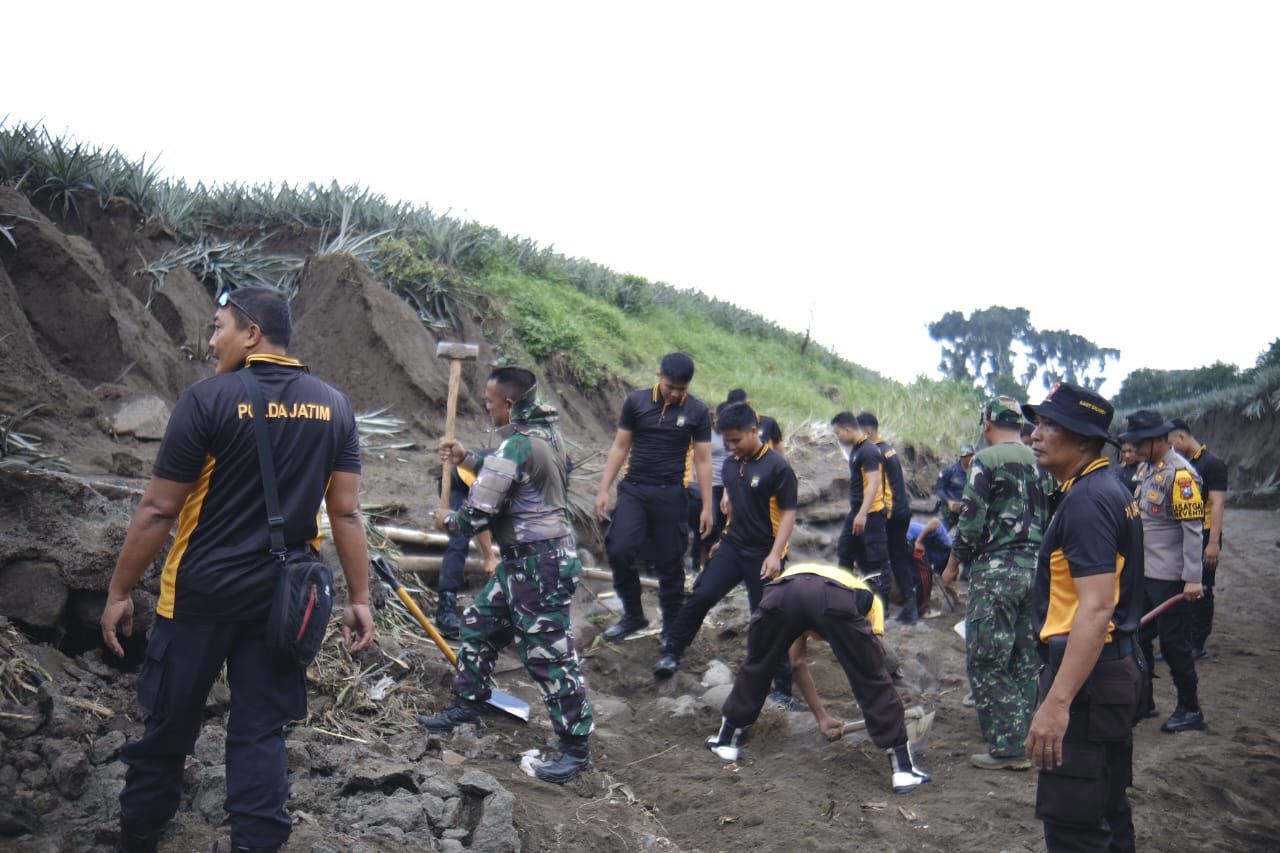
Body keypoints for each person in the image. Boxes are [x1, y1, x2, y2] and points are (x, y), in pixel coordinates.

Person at [100, 286, 376, 853]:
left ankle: (140, 834)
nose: (210, 340)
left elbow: (158, 508)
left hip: (200, 594)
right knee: (260, 733)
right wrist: (360, 598)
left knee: (168, 728)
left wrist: (120, 589)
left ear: (251, 333)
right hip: (284, 602)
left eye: (218, 326)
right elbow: (345, 511)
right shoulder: (334, 406)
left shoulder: (206, 400)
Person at [421, 366, 595, 784]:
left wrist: (447, 519)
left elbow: (475, 517)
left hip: (540, 566)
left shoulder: (517, 446)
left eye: (490, 403)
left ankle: (575, 747)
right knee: (479, 624)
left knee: (548, 656)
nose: (488, 408)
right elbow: (507, 472)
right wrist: (468, 459)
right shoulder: (545, 435)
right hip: (528, 562)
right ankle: (470, 702)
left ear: (510, 404)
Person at [1022, 382, 1145, 853]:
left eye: (1050, 424)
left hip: (1088, 680)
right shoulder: (1103, 488)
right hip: (1109, 673)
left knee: (1074, 827)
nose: (1036, 433)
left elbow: (1095, 610)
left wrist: (1056, 704)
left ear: (1084, 439)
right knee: (1107, 813)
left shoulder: (1088, 501)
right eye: (1038, 421)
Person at [702, 562, 931, 795]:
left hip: (782, 592)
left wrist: (822, 718)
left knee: (758, 664)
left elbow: (797, 662)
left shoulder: (813, 581)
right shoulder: (871, 603)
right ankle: (903, 770)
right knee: (871, 678)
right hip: (832, 599)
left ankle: (726, 742)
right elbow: (875, 660)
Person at [941, 397, 1050, 771]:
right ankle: (1022, 732)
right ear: (1019, 423)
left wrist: (953, 564)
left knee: (986, 657)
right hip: (1037, 568)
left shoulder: (985, 461)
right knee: (1024, 655)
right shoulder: (1042, 462)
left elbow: (971, 521)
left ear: (987, 422)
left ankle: (1008, 747)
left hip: (997, 571)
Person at [654, 402, 797, 678]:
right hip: (733, 547)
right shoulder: (732, 465)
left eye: (736, 440)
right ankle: (671, 651)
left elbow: (789, 514)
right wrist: (724, 537)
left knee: (766, 617)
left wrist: (775, 555)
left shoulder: (778, 468)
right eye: (727, 441)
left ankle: (781, 685)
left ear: (753, 431)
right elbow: (738, 504)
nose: (731, 447)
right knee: (701, 595)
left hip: (764, 554)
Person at [594, 353, 714, 642]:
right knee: (620, 549)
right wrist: (603, 488)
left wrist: (708, 506)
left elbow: (703, 460)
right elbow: (621, 446)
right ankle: (633, 614)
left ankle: (672, 630)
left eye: (681, 389)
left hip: (671, 493)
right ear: (659, 375)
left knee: (671, 561)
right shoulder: (637, 401)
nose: (675, 394)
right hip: (634, 487)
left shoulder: (697, 412)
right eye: (671, 386)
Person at [1119, 410, 1207, 734]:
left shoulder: (1181, 475)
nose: (1135, 448)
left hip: (1170, 577)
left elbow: (1193, 529)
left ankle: (1190, 707)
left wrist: (1193, 578)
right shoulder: (1146, 468)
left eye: (1140, 442)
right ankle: (1145, 701)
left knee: (1173, 645)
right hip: (1144, 572)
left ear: (1159, 439)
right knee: (1138, 636)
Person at [1168, 418, 1227, 659]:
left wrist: (1212, 543)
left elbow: (1218, 503)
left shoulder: (1212, 464)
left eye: (1171, 444)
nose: (1170, 450)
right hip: (1185, 534)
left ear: (1182, 438)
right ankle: (1183, 640)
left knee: (1203, 589)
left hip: (1204, 534)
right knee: (1181, 586)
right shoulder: (1183, 464)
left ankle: (1198, 643)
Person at [858, 411, 919, 623]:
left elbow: (884, 491)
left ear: (867, 431)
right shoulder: (889, 448)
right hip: (903, 512)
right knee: (899, 558)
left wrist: (882, 516)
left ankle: (882, 608)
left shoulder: (876, 452)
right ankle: (911, 605)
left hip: (892, 514)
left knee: (880, 559)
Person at [831, 412, 893, 609]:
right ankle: (845, 599)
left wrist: (862, 514)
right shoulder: (857, 450)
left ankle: (882, 608)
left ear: (847, 428)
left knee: (878, 562)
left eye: (838, 432)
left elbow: (874, 484)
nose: (838, 437)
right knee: (846, 552)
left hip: (871, 515)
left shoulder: (868, 451)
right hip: (858, 512)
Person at [436, 460, 499, 639]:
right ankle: (445, 610)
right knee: (460, 537)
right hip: (458, 484)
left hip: (482, 492)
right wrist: (489, 557)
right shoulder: (498, 474)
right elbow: (477, 518)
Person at [908, 517, 952, 615]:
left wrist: (955, 597)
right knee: (925, 575)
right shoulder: (947, 543)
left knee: (917, 574)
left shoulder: (942, 558)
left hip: (907, 539)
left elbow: (944, 580)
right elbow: (935, 522)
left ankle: (909, 601)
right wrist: (919, 541)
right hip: (911, 539)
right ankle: (923, 610)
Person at [726, 387, 785, 455]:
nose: (737, 411)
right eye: (733, 409)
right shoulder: (729, 427)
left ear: (748, 403)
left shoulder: (768, 423)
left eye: (740, 408)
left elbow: (780, 450)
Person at [935, 444, 975, 528]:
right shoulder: (950, 470)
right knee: (938, 534)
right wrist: (949, 501)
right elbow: (939, 489)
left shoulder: (976, 472)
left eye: (970, 455)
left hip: (966, 512)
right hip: (948, 510)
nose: (968, 458)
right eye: (965, 456)